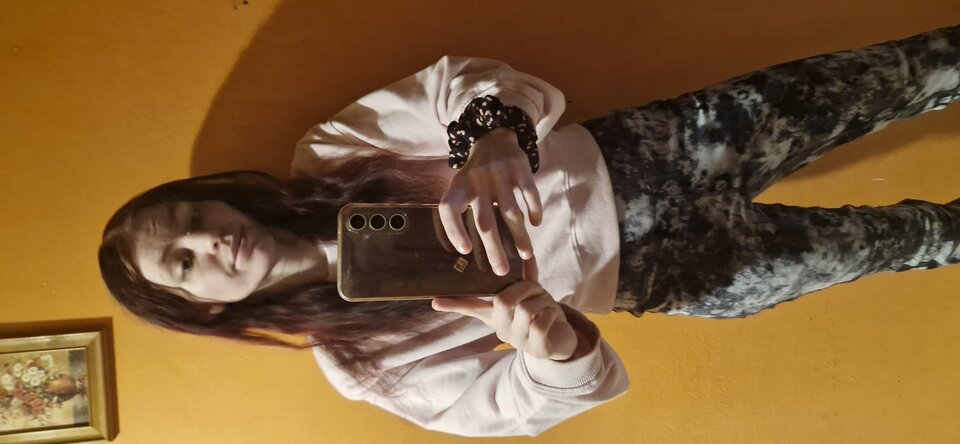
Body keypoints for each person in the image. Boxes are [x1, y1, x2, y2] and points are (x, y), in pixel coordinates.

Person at [98, 25, 960, 437]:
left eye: (192, 219)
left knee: (905, 74)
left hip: (662, 146)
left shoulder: (327, 154)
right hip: (684, 272)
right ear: (200, 307)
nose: (209, 242)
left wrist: (490, 141)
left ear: (213, 197)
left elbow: (456, 81)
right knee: (911, 240)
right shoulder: (357, 362)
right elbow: (506, 408)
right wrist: (550, 347)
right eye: (184, 262)